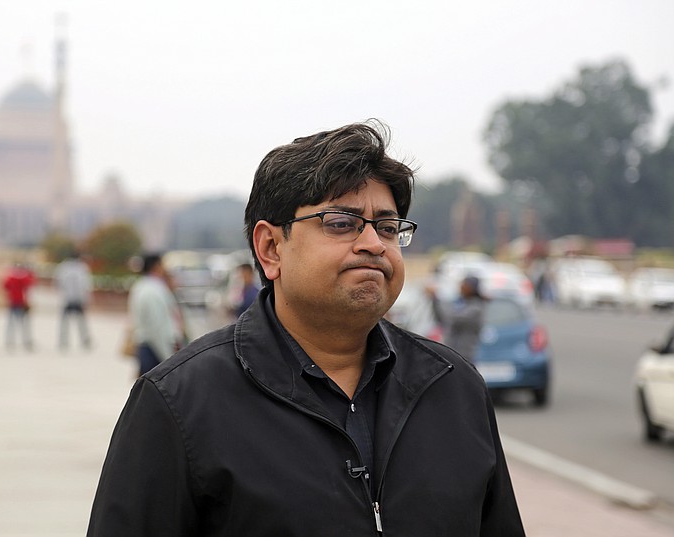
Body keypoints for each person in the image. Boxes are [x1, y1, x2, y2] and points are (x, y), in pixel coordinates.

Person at [87, 121, 525, 536]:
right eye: (341, 223)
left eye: (388, 228)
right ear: (271, 248)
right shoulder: (179, 402)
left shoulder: (454, 388)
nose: (373, 244)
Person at [127, 253, 184, 376]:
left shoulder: (144, 286)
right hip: (155, 348)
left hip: (152, 347)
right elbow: (156, 325)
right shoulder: (152, 290)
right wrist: (168, 357)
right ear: (156, 266)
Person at [429, 274, 489, 361]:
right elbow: (442, 319)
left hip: (464, 354)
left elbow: (451, 318)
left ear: (471, 288)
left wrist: (436, 298)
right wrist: (434, 301)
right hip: (453, 352)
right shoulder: (461, 303)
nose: (461, 287)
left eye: (464, 285)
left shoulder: (476, 307)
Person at [54, 251, 93, 350]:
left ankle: (63, 341)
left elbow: (58, 283)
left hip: (67, 298)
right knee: (81, 322)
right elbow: (86, 285)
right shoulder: (82, 268)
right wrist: (87, 298)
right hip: (79, 298)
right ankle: (85, 340)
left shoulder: (63, 267)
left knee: (65, 322)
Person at [2, 262, 35, 351]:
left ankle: (9, 340)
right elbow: (31, 284)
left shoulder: (10, 277)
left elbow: (5, 286)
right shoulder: (25, 277)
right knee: (24, 324)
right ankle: (26, 341)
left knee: (11, 324)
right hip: (22, 303)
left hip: (13, 302)